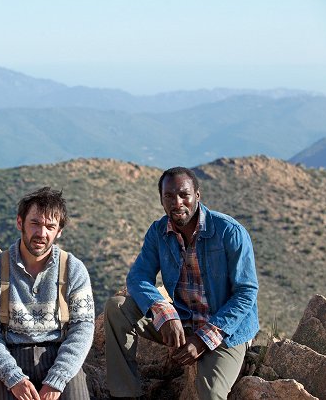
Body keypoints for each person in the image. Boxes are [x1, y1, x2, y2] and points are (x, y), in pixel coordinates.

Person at [104, 167, 259, 400]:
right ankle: (125, 393)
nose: (177, 203)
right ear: (161, 199)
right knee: (117, 308)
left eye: (184, 195)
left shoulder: (229, 232)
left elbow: (246, 293)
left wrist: (203, 339)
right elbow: (138, 277)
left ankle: (239, 360)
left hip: (225, 330)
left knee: (210, 393)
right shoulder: (158, 232)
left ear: (197, 195)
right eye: (169, 196)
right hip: (182, 322)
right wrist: (164, 311)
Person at [0, 187, 95, 400]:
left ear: (59, 231)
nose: (42, 233)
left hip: (59, 355)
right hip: (12, 357)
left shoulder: (73, 269)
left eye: (50, 226)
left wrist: (58, 379)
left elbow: (83, 327)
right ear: (20, 222)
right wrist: (13, 378)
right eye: (35, 223)